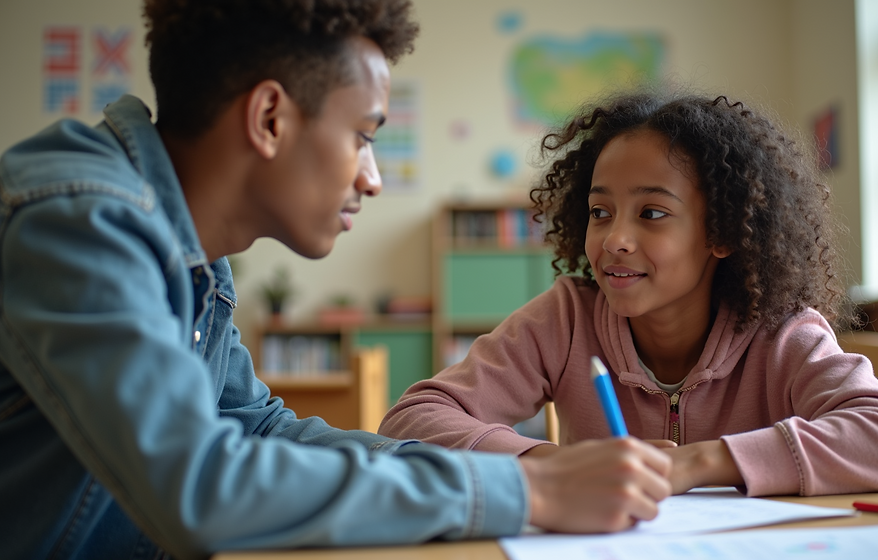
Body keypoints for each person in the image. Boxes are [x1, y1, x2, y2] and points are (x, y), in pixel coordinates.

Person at [0, 2, 675, 559]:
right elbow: (199, 485)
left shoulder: (192, 254)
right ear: (270, 119)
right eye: (363, 134)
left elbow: (256, 428)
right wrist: (534, 497)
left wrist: (521, 472)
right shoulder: (80, 222)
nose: (372, 178)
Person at [378, 91, 878, 497]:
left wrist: (698, 464)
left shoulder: (782, 331)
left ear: (720, 231)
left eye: (652, 213)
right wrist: (552, 464)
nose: (615, 239)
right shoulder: (567, 318)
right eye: (600, 213)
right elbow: (413, 417)